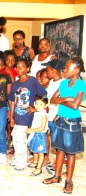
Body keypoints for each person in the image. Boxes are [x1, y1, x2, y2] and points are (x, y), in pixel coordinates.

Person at [43, 57, 86, 194]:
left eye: (67, 68)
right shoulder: (63, 83)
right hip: (60, 119)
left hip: (72, 122)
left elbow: (75, 106)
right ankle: (57, 176)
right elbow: (52, 99)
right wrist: (66, 99)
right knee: (59, 149)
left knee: (70, 152)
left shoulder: (81, 85)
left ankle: (69, 181)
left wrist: (61, 100)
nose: (64, 70)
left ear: (76, 70)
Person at [8, 59, 47, 171]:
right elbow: (12, 101)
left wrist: (35, 108)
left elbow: (43, 94)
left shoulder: (32, 81)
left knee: (21, 140)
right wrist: (11, 116)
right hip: (17, 115)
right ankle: (17, 158)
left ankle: (22, 162)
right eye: (17, 67)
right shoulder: (15, 84)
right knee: (15, 138)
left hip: (26, 117)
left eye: (22, 67)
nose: (19, 69)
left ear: (27, 69)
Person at [42, 59, 64, 173]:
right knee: (45, 135)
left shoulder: (63, 83)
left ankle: (59, 163)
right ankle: (46, 157)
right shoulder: (51, 82)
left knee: (58, 141)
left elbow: (63, 102)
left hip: (56, 116)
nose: (46, 71)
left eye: (48, 69)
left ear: (54, 70)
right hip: (49, 114)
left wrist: (58, 115)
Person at [26, 96, 49, 176]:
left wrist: (31, 130)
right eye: (36, 104)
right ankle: (35, 162)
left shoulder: (44, 115)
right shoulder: (37, 113)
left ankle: (39, 168)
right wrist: (31, 129)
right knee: (34, 149)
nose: (38, 106)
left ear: (46, 105)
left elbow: (42, 128)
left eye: (41, 104)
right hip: (35, 133)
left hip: (40, 135)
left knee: (40, 152)